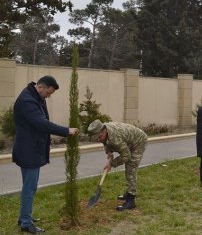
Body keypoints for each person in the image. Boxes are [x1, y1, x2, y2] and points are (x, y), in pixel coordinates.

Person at [13, 75, 78, 234]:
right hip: (29, 151)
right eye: (48, 93)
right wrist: (66, 131)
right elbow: (41, 123)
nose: (48, 96)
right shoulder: (28, 101)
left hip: (30, 148)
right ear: (41, 87)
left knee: (29, 187)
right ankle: (26, 223)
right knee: (30, 188)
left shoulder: (33, 96)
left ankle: (24, 217)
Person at [88, 119, 148, 211]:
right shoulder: (103, 129)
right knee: (128, 167)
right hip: (128, 140)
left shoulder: (115, 138)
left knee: (130, 169)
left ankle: (131, 199)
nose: (98, 140)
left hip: (138, 142)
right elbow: (105, 141)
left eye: (99, 137)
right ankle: (128, 193)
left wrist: (111, 164)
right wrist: (108, 151)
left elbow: (126, 156)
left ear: (103, 131)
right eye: (96, 138)